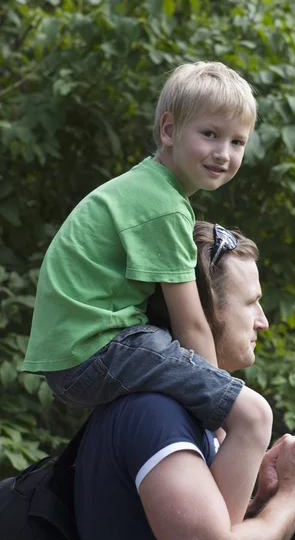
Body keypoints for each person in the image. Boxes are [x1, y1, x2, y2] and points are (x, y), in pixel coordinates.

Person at [22, 62, 272, 512]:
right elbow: (193, 324)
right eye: (210, 134)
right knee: (251, 414)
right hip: (93, 348)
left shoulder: (148, 188)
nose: (223, 153)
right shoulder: (162, 205)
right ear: (169, 129)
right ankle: (225, 526)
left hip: (78, 350)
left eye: (237, 142)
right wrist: (222, 408)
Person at [74, 221, 295, 540]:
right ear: (202, 310)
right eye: (250, 303)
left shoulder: (181, 412)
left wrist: (261, 502)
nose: (263, 321)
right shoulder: (155, 412)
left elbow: (199, 534)